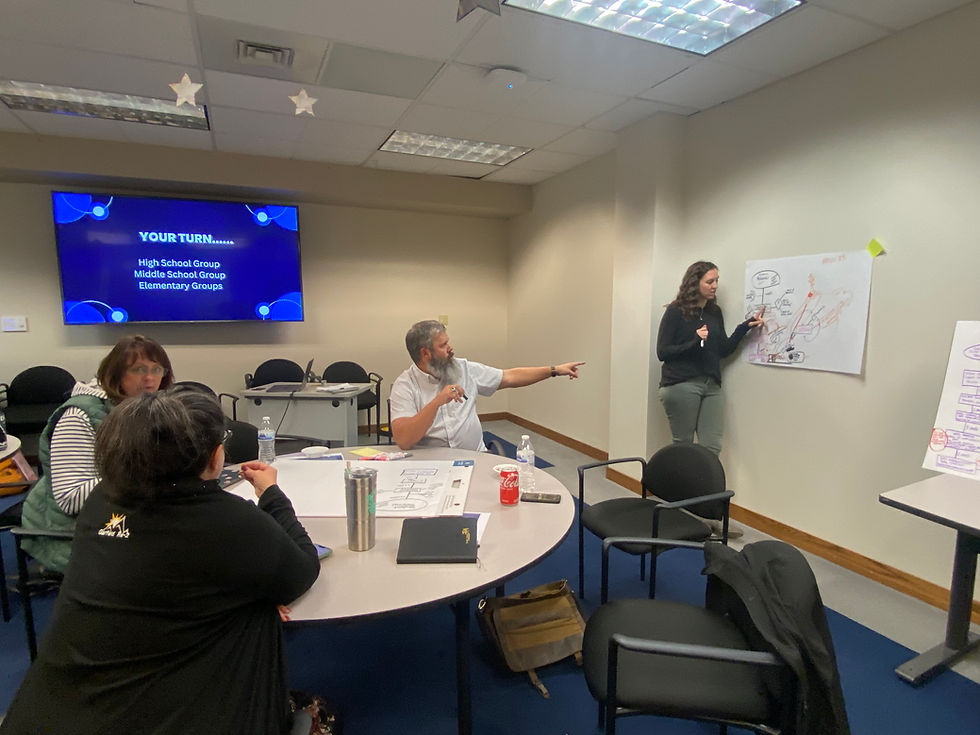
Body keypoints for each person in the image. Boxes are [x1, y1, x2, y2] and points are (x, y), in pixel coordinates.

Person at [0, 388, 322, 734]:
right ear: (215, 456)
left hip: (46, 713)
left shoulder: (101, 501)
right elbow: (301, 570)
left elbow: (163, 573)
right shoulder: (227, 520)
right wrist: (271, 495)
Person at [19, 334, 174, 572]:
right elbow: (70, 499)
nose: (150, 378)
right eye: (139, 369)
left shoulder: (143, 407)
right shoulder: (78, 416)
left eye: (157, 369)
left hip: (125, 513)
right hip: (77, 531)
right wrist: (144, 474)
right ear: (116, 374)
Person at [390, 320, 584, 451]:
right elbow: (404, 440)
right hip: (433, 466)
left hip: (476, 459)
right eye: (443, 345)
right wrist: (437, 402)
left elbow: (509, 376)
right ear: (425, 354)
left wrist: (554, 370)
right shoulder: (405, 385)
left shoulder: (464, 368)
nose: (450, 349)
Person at [656, 261, 763, 455]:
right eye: (709, 281)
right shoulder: (676, 311)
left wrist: (744, 328)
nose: (715, 286)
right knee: (684, 446)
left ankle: (705, 486)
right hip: (681, 384)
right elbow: (663, 352)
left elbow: (723, 350)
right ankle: (680, 486)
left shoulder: (714, 312)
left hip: (711, 385)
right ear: (694, 283)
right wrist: (694, 340)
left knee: (712, 447)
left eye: (716, 281)